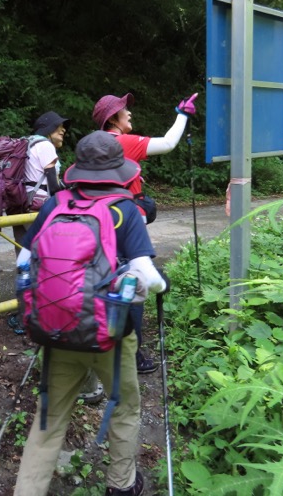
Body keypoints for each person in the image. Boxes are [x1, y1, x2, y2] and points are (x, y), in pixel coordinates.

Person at [13, 131, 167, 496]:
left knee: (48, 418)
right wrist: (161, 286)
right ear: (118, 170)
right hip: (110, 333)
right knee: (124, 407)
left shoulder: (55, 204)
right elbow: (147, 276)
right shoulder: (124, 210)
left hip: (57, 329)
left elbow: (23, 261)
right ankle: (121, 485)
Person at [92, 91, 197, 374]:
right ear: (113, 118)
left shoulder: (94, 146)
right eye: (125, 111)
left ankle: (102, 342)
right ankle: (132, 353)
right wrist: (182, 115)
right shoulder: (123, 142)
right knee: (132, 282)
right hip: (125, 222)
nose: (130, 114)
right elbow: (168, 143)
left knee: (104, 279)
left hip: (98, 222)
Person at [8, 111, 70, 335]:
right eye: (58, 126)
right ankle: (43, 315)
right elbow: (53, 186)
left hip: (19, 206)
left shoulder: (26, 144)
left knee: (24, 262)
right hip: (38, 210)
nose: (63, 130)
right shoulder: (45, 147)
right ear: (47, 129)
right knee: (46, 261)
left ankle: (24, 316)